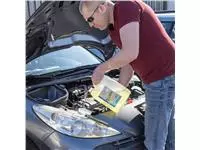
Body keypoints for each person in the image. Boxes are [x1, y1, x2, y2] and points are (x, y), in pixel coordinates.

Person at [79, 0, 175, 150]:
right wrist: (115, 94)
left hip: (162, 78)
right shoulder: (114, 28)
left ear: (102, 8)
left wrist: (101, 69)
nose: (91, 25)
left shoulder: (126, 7)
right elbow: (128, 65)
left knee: (154, 143)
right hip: (159, 79)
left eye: (90, 19)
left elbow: (130, 53)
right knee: (168, 138)